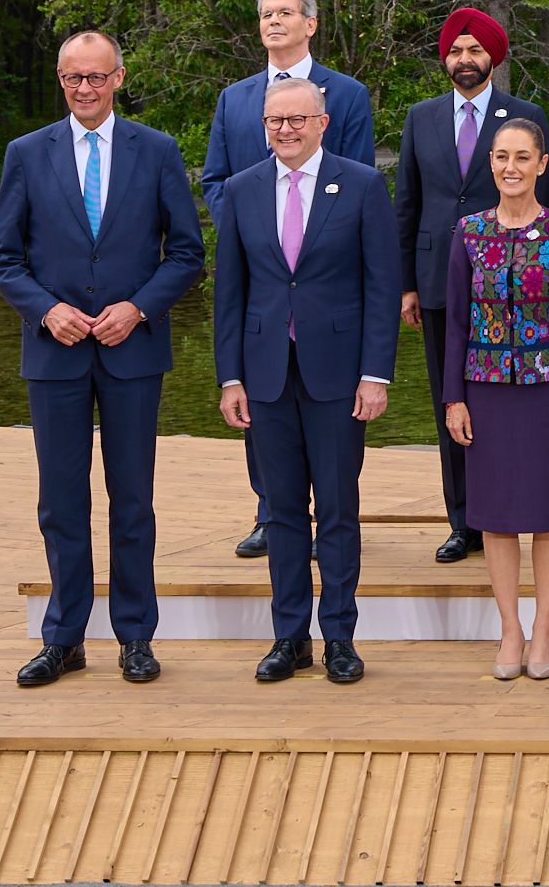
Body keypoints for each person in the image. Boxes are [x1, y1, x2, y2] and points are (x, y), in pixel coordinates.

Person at [0, 31, 204, 689]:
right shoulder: (27, 153)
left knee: (132, 500)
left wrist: (138, 308)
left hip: (131, 352)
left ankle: (135, 636)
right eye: (73, 78)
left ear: (119, 78)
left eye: (96, 77)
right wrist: (44, 310)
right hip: (53, 354)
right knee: (60, 501)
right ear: (60, 80)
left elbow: (187, 254)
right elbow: (4, 259)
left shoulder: (157, 151)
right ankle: (64, 639)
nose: (85, 88)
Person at [213, 78, 401, 686]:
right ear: (263, 126)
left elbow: (381, 288)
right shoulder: (242, 189)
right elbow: (230, 293)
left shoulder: (362, 185)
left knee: (339, 511)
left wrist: (375, 374)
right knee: (284, 512)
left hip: (339, 377)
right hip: (265, 376)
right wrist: (230, 377)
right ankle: (289, 637)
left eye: (297, 120)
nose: (285, 130)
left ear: (322, 123)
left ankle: (339, 638)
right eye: (275, 121)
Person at [200, 0, 380, 562]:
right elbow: (216, 179)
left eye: (285, 12)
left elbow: (356, 177)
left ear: (310, 23)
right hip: (260, 272)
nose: (273, 22)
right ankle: (270, 514)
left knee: (331, 440)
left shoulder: (346, 94)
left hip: (326, 274)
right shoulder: (235, 99)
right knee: (264, 406)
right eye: (265, 14)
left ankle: (331, 523)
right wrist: (254, 233)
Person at [394, 6, 549, 566]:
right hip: (438, 279)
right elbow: (408, 202)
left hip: (511, 283)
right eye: (456, 51)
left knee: (508, 405)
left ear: (493, 57)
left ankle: (511, 510)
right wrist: (407, 284)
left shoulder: (526, 115)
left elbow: (543, 204)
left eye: (475, 51)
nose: (465, 60)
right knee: (452, 402)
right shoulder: (421, 117)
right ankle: (463, 523)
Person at [441, 118, 549, 682]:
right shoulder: (468, 232)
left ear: (542, 164)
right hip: (484, 391)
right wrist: (453, 399)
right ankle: (510, 628)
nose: (511, 167)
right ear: (491, 163)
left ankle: (545, 625)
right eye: (502, 157)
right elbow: (456, 323)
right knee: (497, 517)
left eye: (523, 157)